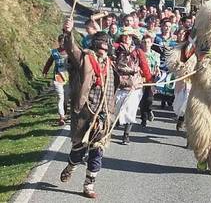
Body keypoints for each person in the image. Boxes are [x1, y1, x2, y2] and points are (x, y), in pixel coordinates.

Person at [59, 19, 117, 198]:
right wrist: (68, 32)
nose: (103, 49)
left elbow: (121, 81)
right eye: (100, 45)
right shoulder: (83, 58)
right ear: (94, 45)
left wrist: (136, 82)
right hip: (84, 113)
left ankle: (89, 185)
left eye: (106, 46)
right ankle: (71, 166)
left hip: (104, 115)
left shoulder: (111, 65)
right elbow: (71, 48)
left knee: (97, 150)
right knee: (79, 149)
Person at [114, 31, 152, 144]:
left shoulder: (138, 51)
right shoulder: (116, 49)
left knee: (131, 110)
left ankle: (126, 135)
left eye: (129, 36)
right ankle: (114, 124)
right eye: (124, 36)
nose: (127, 38)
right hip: (119, 84)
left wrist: (149, 81)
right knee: (117, 108)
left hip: (134, 85)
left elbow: (145, 67)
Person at [42, 34, 70, 126]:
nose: (62, 44)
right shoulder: (54, 53)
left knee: (66, 98)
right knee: (60, 97)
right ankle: (61, 117)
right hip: (57, 78)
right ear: (58, 42)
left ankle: (65, 112)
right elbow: (49, 62)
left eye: (64, 42)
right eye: (61, 42)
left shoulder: (70, 52)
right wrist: (45, 71)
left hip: (68, 78)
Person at [139, 34, 161, 127]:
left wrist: (158, 72)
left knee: (149, 98)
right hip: (140, 78)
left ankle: (149, 110)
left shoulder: (156, 55)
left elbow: (157, 67)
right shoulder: (139, 53)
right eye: (144, 42)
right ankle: (143, 119)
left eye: (148, 42)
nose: (146, 44)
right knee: (142, 98)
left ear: (151, 43)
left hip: (151, 78)